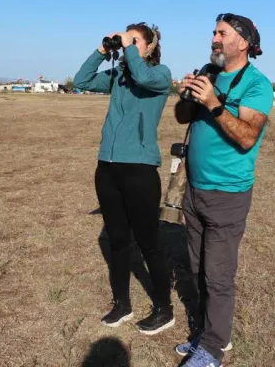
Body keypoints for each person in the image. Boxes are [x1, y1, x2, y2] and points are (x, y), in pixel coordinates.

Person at [173, 13, 273, 367]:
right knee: (198, 268)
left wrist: (214, 102)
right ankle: (209, 334)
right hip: (195, 188)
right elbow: (182, 118)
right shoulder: (209, 73)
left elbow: (247, 137)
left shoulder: (257, 84)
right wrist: (189, 95)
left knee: (218, 275)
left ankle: (213, 350)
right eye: (213, 32)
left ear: (243, 42)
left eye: (222, 33)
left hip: (227, 194)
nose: (214, 38)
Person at [73, 22, 175, 335]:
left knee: (148, 243)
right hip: (107, 168)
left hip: (140, 169)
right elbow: (81, 80)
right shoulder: (118, 77)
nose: (126, 43)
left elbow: (142, 75)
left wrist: (128, 46)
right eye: (125, 39)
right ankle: (122, 304)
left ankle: (164, 309)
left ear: (149, 47)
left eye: (134, 40)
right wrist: (103, 49)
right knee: (117, 240)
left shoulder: (160, 75)